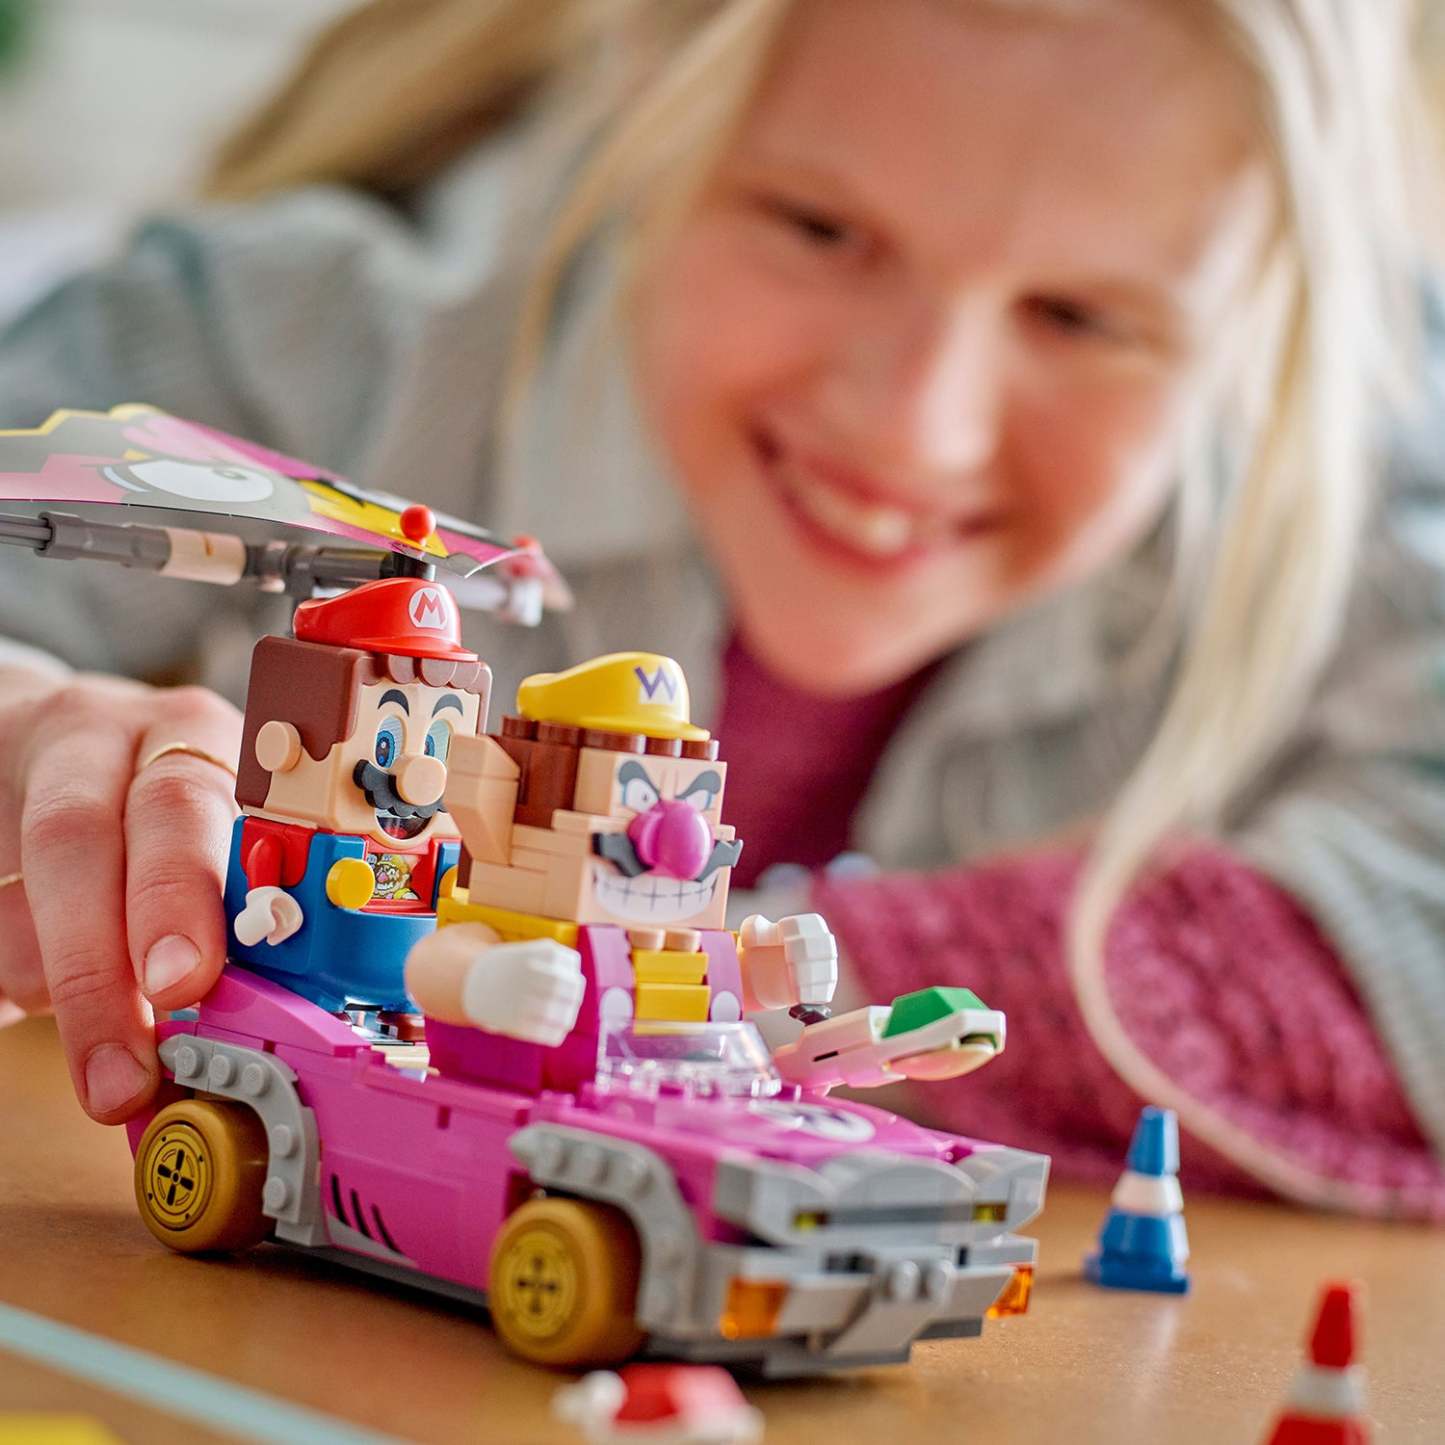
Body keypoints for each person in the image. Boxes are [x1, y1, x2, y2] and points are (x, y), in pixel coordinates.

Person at [0, 0, 1441, 1216]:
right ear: (650, 121)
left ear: (1264, 334)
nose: (915, 429)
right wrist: (33, 727)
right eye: (819, 227)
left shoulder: (1351, 521)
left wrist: (759, 991)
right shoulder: (301, 345)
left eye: (1079, 318)